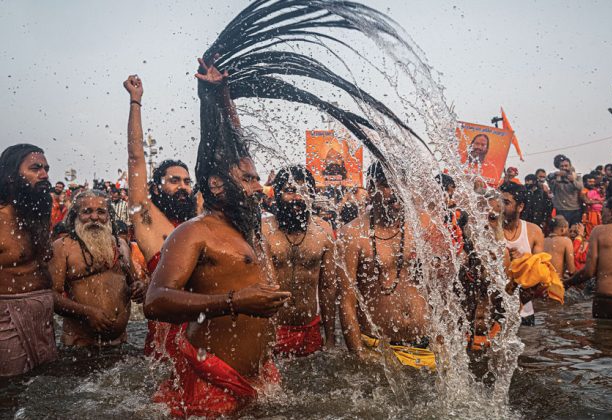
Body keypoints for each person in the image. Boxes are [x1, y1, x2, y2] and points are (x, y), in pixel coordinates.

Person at [143, 56, 292, 417]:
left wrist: (220, 98)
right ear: (216, 186)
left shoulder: (246, 227)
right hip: (212, 383)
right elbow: (155, 301)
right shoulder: (193, 233)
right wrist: (234, 300)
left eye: (258, 178)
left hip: (259, 378)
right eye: (249, 180)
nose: (259, 188)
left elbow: (235, 152)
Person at [124, 75, 198, 358]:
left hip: (203, 329)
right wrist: (135, 101)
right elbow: (135, 159)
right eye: (174, 181)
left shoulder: (198, 221)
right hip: (165, 337)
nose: (182, 187)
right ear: (157, 187)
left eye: (186, 182)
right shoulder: (147, 220)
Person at [337, 162, 435, 369]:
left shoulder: (421, 227)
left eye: (401, 185)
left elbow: (438, 288)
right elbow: (346, 300)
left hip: (424, 344)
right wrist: (358, 352)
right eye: (388, 185)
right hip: (378, 346)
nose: (396, 192)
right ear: (371, 189)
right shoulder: (352, 234)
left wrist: (441, 339)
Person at [49, 190, 145, 347]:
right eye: (87, 212)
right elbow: (51, 296)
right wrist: (87, 313)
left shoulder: (121, 246)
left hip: (121, 344)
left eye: (101, 212)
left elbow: (135, 282)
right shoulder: (62, 247)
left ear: (109, 216)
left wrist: (139, 288)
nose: (94, 217)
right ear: (75, 216)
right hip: (80, 346)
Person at [262, 166, 336, 357]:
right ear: (277, 193)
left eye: (304, 191)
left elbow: (328, 288)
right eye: (290, 190)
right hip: (272, 329)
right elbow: (262, 287)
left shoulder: (324, 231)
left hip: (310, 329)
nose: (298, 198)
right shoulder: (263, 231)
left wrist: (330, 339)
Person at [0, 144, 58, 377]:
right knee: (10, 394)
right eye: (35, 168)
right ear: (12, 176)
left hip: (43, 321)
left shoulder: (36, 217)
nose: (44, 175)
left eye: (46, 168)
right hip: (7, 322)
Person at [499, 182, 545, 325]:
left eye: (506, 202)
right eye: (499, 201)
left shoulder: (534, 231)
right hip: (496, 313)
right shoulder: (487, 230)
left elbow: (540, 274)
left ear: (520, 207)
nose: (500, 206)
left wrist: (523, 262)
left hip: (525, 313)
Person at [548, 154, 584, 225]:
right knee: (562, 232)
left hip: (575, 209)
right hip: (561, 210)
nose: (564, 168)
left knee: (575, 232)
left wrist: (573, 180)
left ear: (570, 166)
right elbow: (548, 178)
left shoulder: (576, 176)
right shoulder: (556, 177)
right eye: (562, 166)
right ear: (559, 167)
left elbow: (580, 187)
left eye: (566, 166)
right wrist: (556, 175)